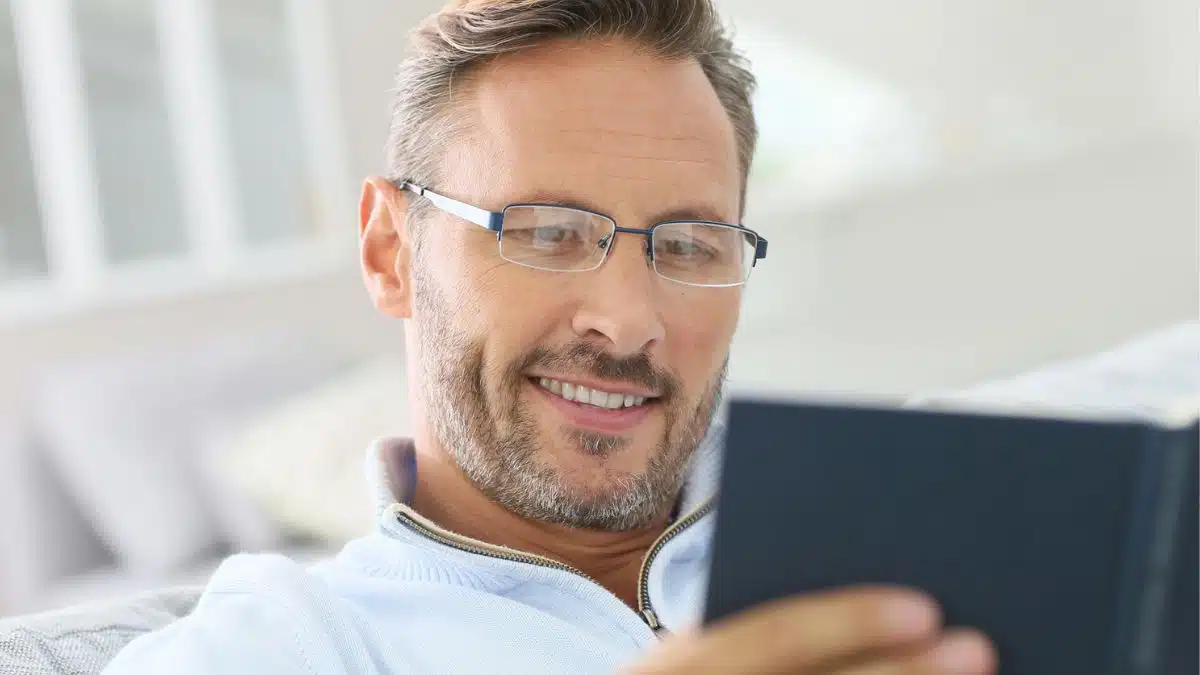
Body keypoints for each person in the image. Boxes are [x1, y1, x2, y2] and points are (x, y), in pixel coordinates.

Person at [103, 1, 996, 673]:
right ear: (390, 252)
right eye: (545, 231)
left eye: (687, 244)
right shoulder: (282, 644)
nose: (628, 318)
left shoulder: (910, 528)